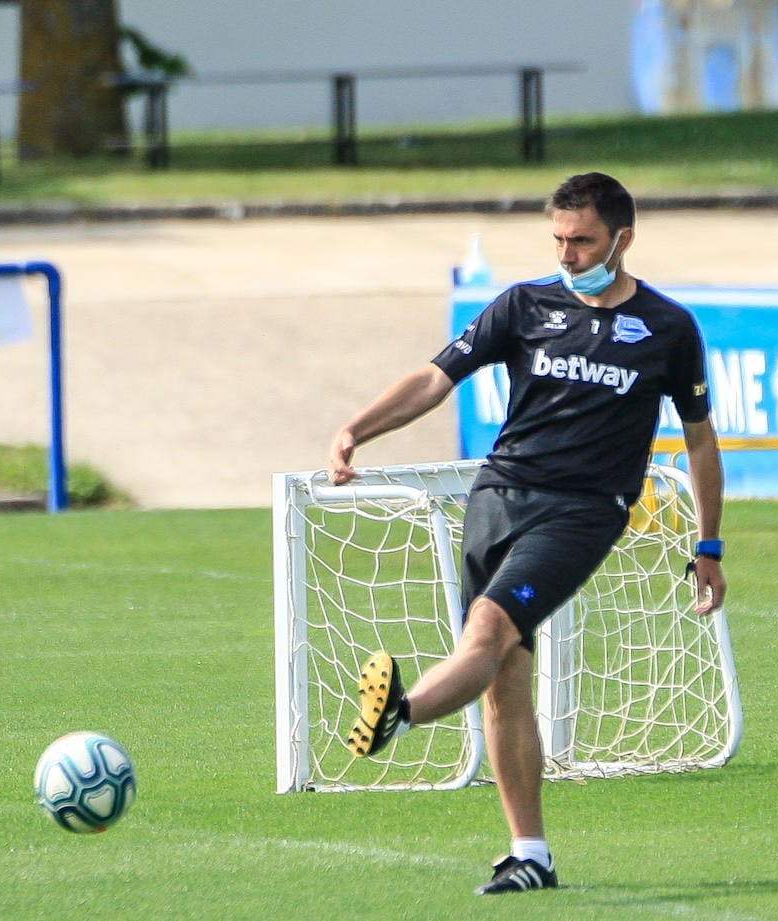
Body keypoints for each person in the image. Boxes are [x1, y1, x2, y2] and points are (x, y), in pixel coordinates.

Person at [327, 172, 727, 896]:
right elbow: (434, 378)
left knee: (486, 630)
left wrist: (708, 544)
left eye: (583, 241)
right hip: (497, 496)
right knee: (504, 676)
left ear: (622, 239)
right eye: (559, 240)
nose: (569, 254)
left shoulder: (669, 329)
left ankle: (400, 713)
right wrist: (357, 428)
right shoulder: (523, 304)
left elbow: (700, 442)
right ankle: (529, 853)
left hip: (583, 509)